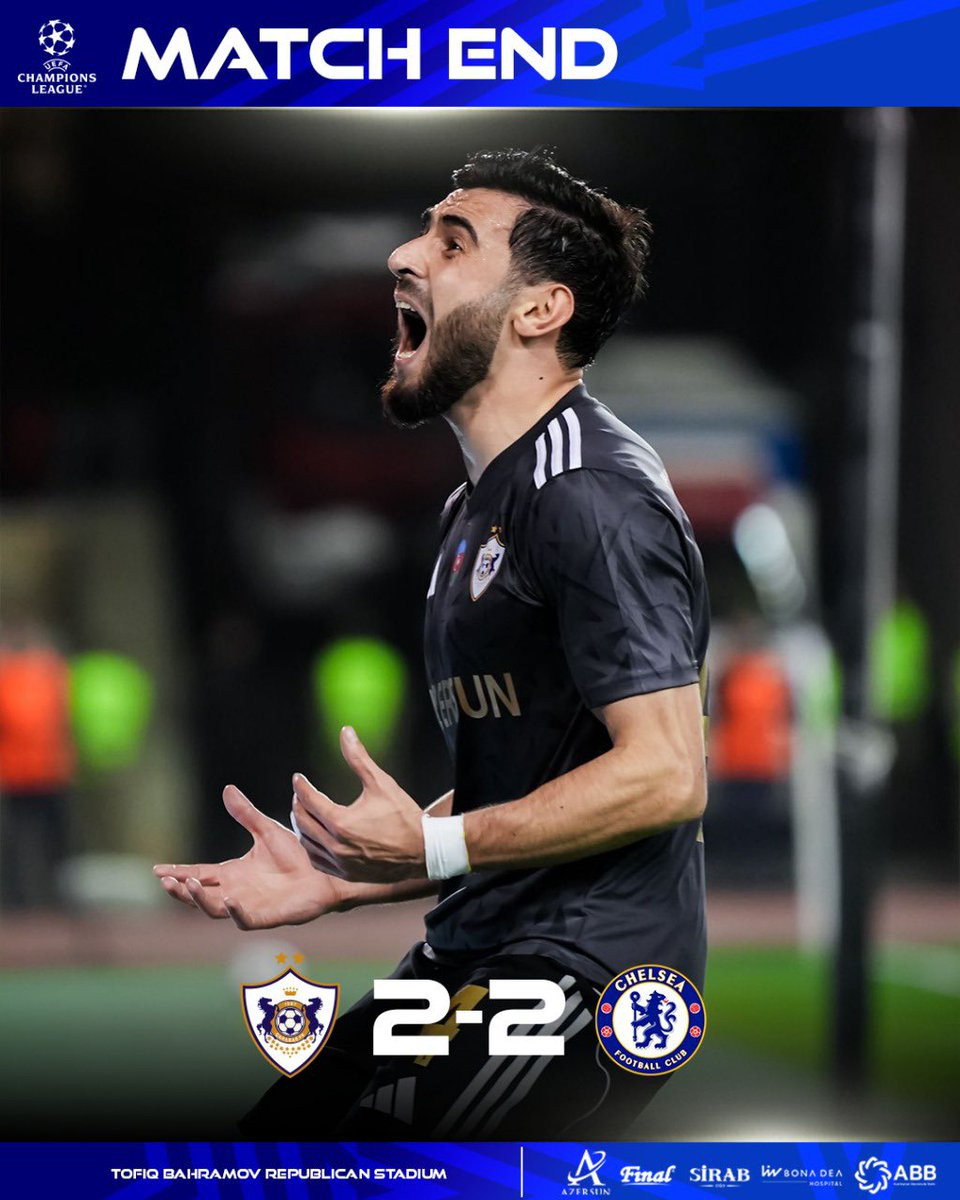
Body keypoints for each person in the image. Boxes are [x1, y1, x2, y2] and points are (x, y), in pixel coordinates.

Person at [155, 149, 710, 1139]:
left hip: (583, 975)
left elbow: (668, 774)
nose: (404, 256)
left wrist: (434, 843)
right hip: (472, 955)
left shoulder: (590, 495)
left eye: (452, 243)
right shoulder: (476, 507)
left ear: (539, 310)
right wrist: (348, 874)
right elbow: (536, 778)